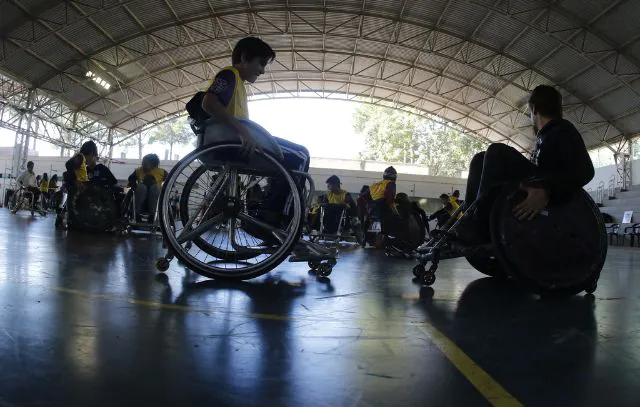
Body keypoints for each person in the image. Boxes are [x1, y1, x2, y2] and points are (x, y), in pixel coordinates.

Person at [453, 85, 595, 244]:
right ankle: (468, 218)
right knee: (480, 159)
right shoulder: (546, 135)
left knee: (497, 151)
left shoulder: (563, 130)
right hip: (537, 180)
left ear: (534, 109)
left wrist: (547, 190)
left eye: (529, 112)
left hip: (549, 190)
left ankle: (479, 225)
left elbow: (586, 171)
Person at [200, 36, 310, 230]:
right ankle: (272, 218)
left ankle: (271, 208)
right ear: (244, 57)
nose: (262, 70)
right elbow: (208, 102)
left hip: (233, 140)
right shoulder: (229, 74)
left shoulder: (237, 82)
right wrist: (244, 132)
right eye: (260, 63)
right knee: (301, 155)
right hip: (232, 142)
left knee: (291, 159)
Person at [127, 154, 168, 223]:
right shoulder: (139, 170)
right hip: (141, 193)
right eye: (143, 163)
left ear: (154, 164)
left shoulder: (161, 172)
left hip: (155, 194)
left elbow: (169, 180)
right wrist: (133, 183)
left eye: (146, 163)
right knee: (141, 187)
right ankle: (137, 214)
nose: (144, 165)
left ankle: (153, 215)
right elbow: (131, 178)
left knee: (154, 188)